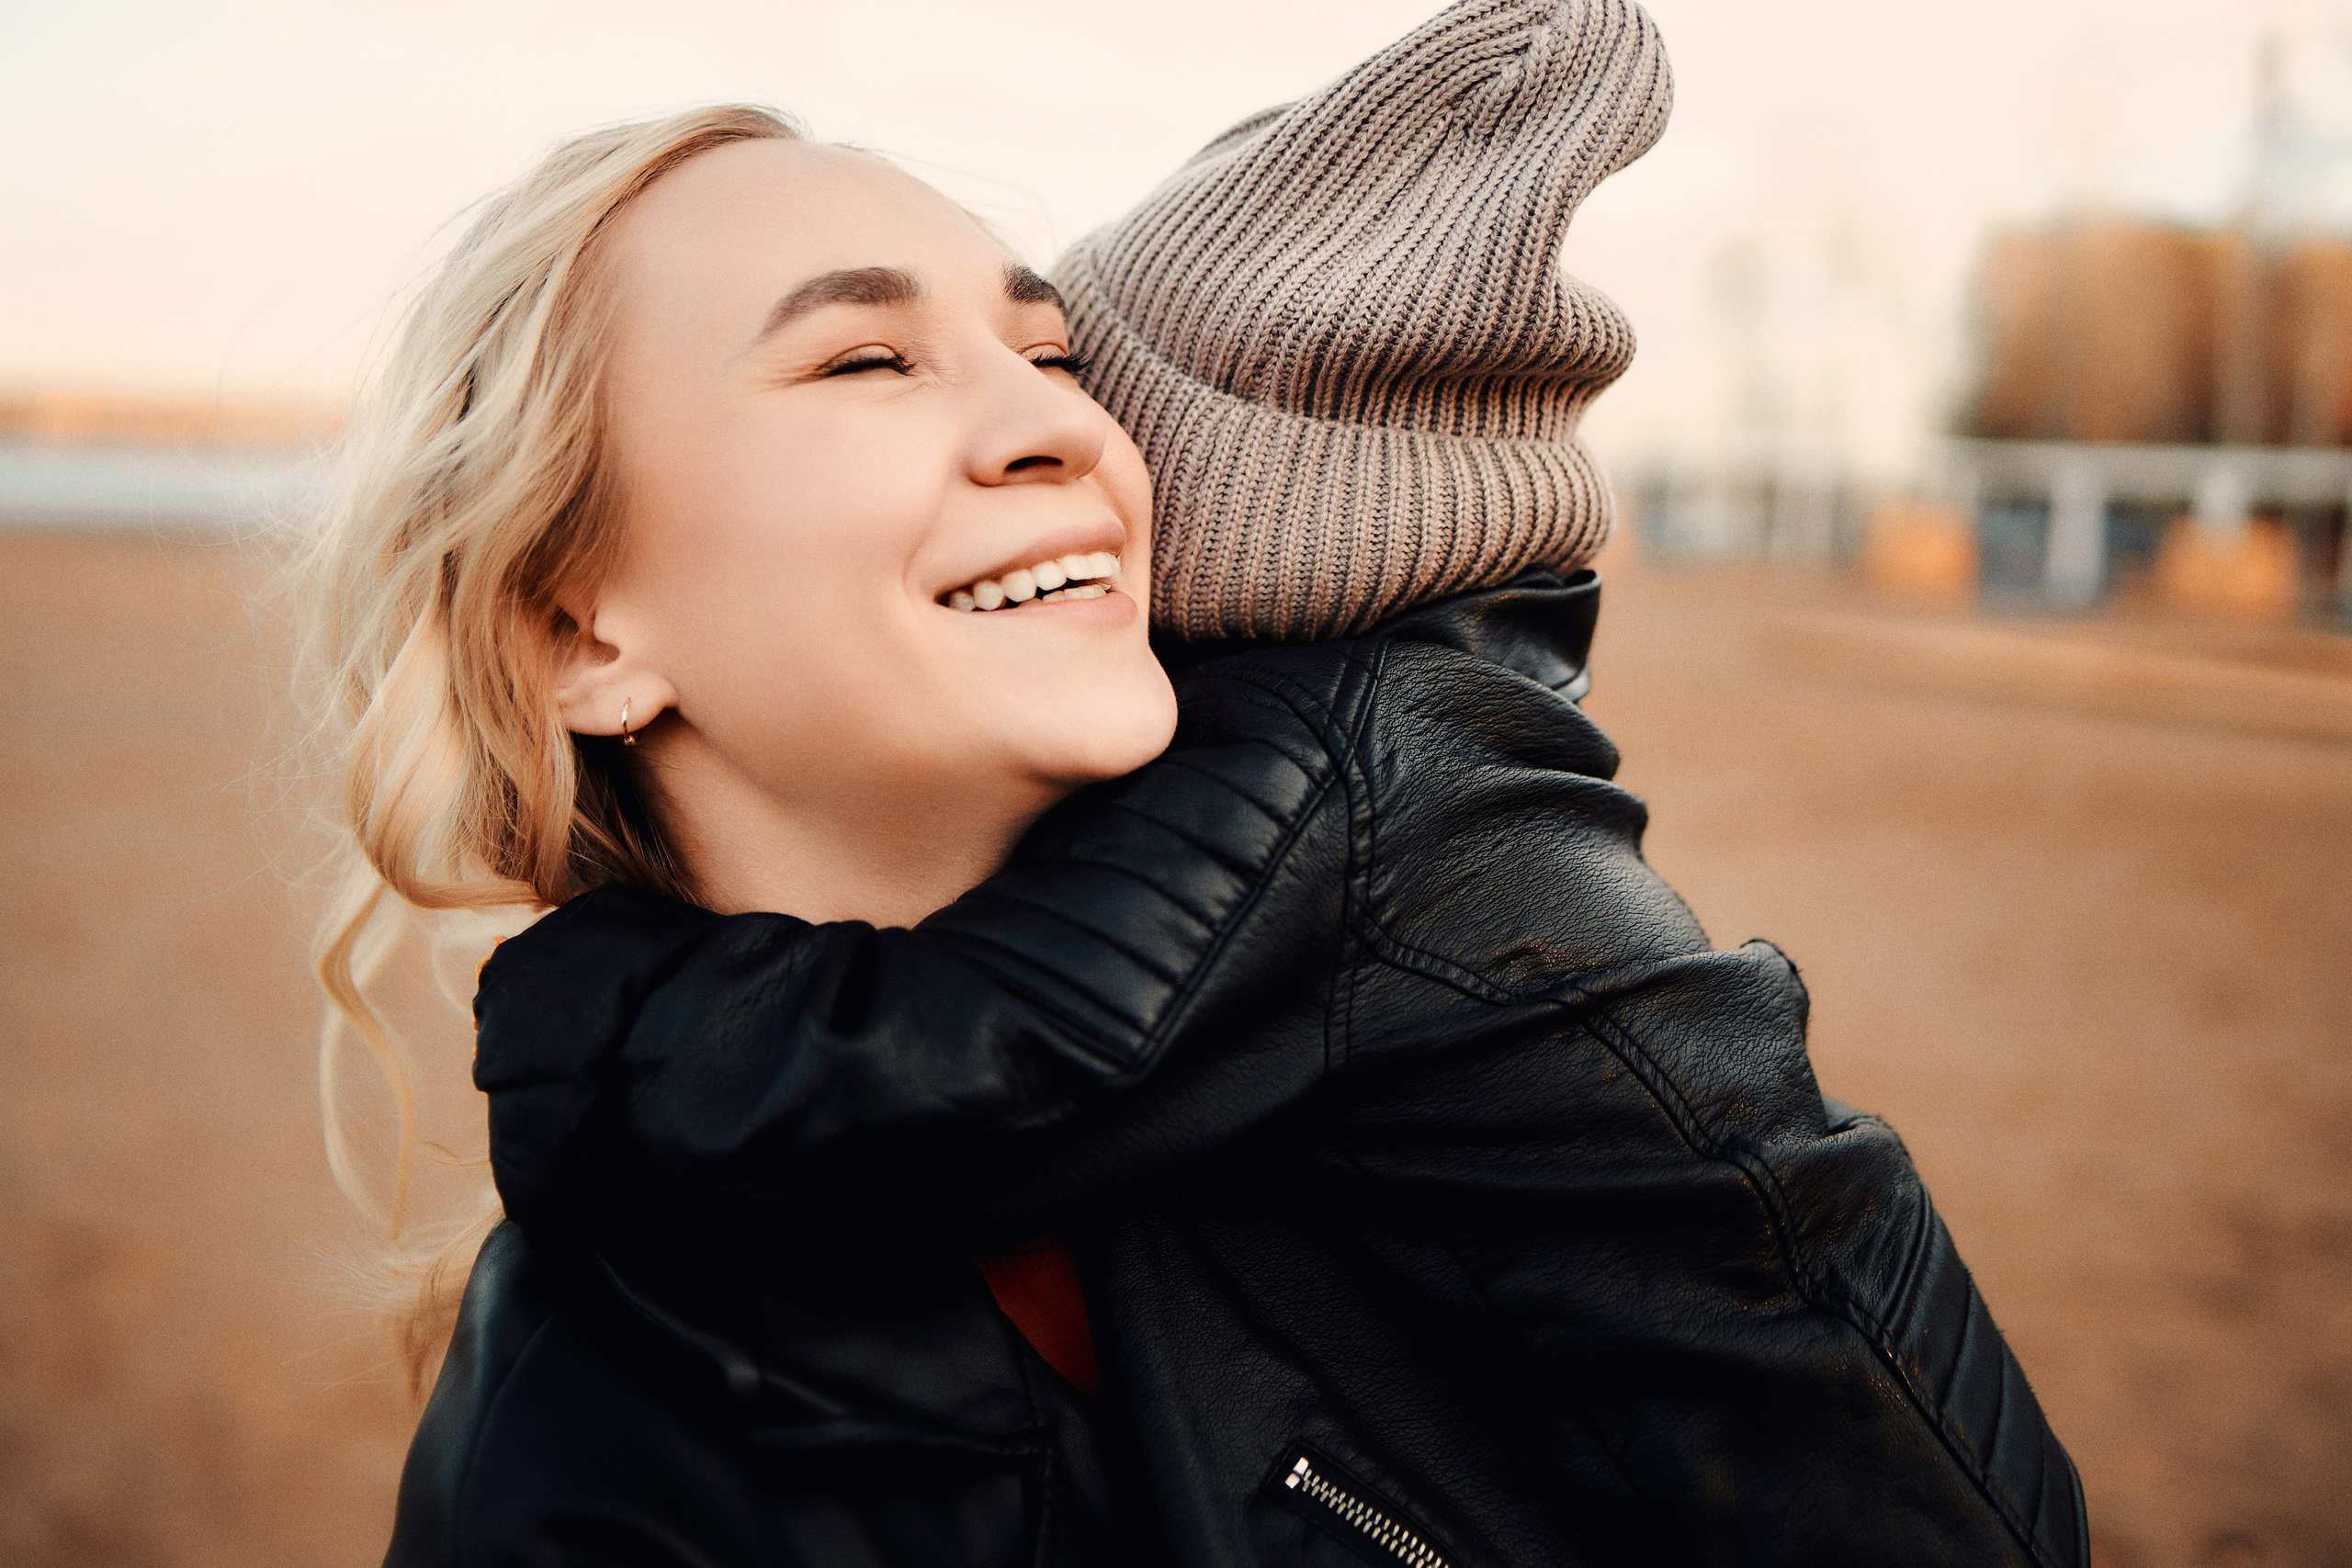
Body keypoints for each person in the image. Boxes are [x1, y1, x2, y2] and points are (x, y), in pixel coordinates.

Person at [301, 2, 2088, 1564]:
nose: (1065, 425)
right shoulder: (603, 1449)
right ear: (574, 628)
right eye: (864, 357)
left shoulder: (1358, 997)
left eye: (1054, 352)